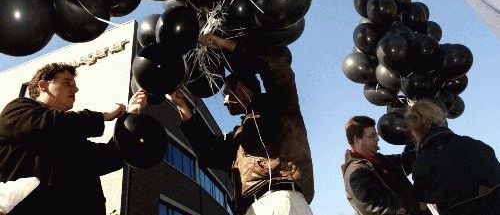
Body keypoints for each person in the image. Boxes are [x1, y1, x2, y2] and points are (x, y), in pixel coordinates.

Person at [167, 34, 314, 215]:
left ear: (242, 87)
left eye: (227, 93)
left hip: (279, 201)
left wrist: (226, 44)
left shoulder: (280, 105)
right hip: (249, 209)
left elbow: (277, 69)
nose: (225, 101)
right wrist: (182, 105)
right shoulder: (238, 136)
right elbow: (209, 151)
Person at [0, 62, 147, 215]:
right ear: (43, 85)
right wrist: (102, 116)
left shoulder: (69, 135)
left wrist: (131, 115)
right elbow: (50, 124)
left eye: (74, 84)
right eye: (67, 82)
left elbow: (109, 156)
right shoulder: (17, 109)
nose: (75, 89)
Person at [405, 100, 500, 215]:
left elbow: (421, 204)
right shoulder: (473, 144)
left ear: (414, 130)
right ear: (440, 118)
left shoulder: (422, 163)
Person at [341, 115, 425, 215]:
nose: (377, 138)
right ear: (356, 140)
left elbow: (406, 161)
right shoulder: (356, 172)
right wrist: (415, 204)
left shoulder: (382, 160)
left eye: (376, 135)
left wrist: (415, 135)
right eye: (372, 136)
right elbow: (372, 206)